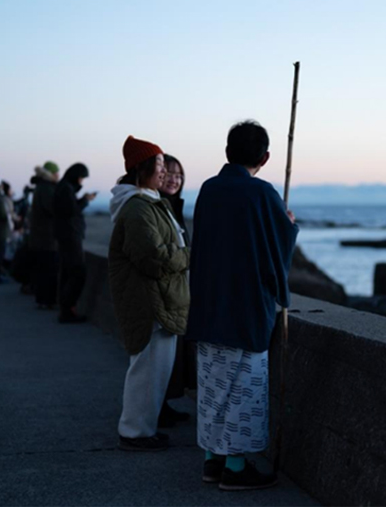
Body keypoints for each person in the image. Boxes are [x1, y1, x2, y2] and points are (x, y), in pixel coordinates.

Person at [185, 120, 298, 491]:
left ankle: (212, 460)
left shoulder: (209, 189)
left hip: (208, 302)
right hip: (245, 307)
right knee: (243, 388)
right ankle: (235, 467)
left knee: (213, 385)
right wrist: (289, 225)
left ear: (227, 152)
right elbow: (276, 248)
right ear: (265, 157)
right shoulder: (263, 194)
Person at [108, 136, 190, 452]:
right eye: (158, 165)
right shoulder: (138, 207)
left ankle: (143, 429)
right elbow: (154, 258)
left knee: (154, 372)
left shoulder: (148, 202)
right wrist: (189, 255)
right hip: (150, 302)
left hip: (157, 299)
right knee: (147, 372)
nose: (163, 171)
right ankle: (135, 433)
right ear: (141, 169)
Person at [157, 154, 193, 428]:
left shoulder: (173, 207)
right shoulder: (157, 207)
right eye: (168, 173)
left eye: (179, 175)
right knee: (160, 357)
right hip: (163, 293)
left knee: (172, 355)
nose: (174, 179)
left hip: (177, 291)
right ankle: (157, 409)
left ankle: (163, 405)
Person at [53, 163, 96, 323]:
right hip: (70, 236)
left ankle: (66, 309)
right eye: (81, 178)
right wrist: (85, 199)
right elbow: (72, 210)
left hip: (66, 235)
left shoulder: (63, 187)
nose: (81, 181)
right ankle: (68, 309)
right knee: (78, 272)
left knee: (68, 272)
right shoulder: (65, 189)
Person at [30, 162, 60, 309]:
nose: (59, 175)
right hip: (47, 237)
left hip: (39, 236)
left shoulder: (41, 187)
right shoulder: (47, 188)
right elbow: (52, 209)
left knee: (42, 270)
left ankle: (41, 300)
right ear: (52, 174)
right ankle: (47, 301)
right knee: (49, 270)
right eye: (57, 172)